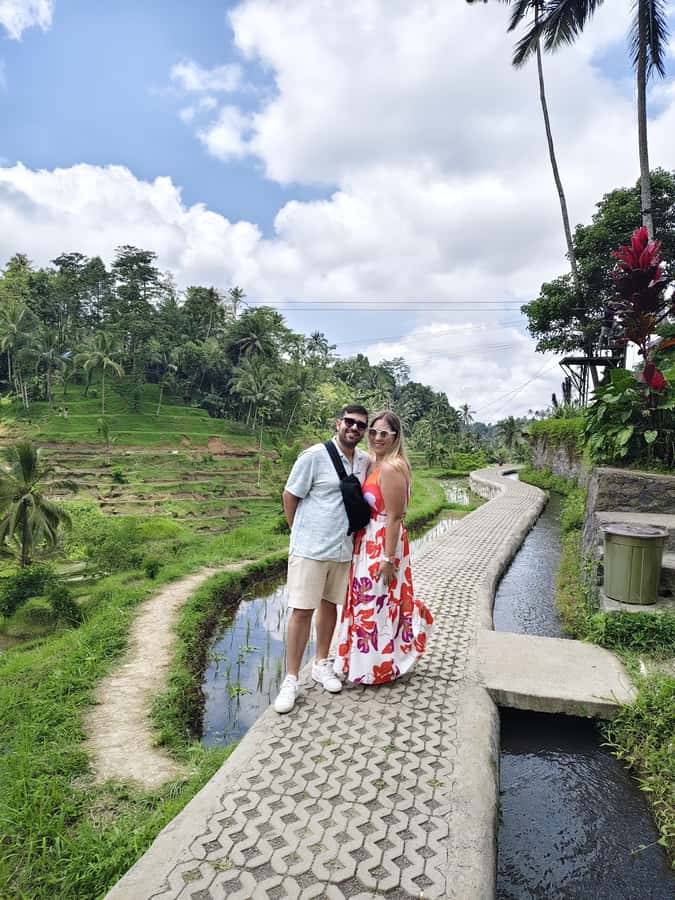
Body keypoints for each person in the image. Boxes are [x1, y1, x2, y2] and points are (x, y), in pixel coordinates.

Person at [274, 404, 370, 714]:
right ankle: (290, 679)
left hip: (343, 551)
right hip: (310, 550)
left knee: (330, 607)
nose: (354, 429)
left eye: (361, 426)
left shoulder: (364, 461)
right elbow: (290, 495)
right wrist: (297, 533)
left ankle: (321, 663)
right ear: (338, 423)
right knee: (301, 611)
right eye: (350, 422)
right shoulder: (314, 456)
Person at [334, 410, 433, 685]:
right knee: (370, 601)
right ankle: (365, 663)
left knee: (376, 600)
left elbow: (395, 516)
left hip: (382, 542)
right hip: (369, 540)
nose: (377, 437)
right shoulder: (377, 463)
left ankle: (379, 667)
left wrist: (388, 558)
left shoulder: (391, 467)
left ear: (395, 437)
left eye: (384, 433)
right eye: (373, 432)